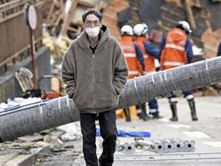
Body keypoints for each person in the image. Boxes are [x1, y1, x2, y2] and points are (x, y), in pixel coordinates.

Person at [62, 9, 128, 166]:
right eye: (89, 23)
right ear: (84, 25)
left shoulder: (112, 46)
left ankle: (105, 162)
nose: (92, 25)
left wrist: (114, 90)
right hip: (84, 102)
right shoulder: (75, 48)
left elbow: (122, 72)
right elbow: (67, 73)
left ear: (100, 24)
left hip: (107, 100)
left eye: (95, 22)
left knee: (111, 135)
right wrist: (74, 93)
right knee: (88, 140)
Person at [160, 21, 198, 121]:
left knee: (171, 91)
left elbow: (161, 51)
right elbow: (189, 54)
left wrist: (161, 66)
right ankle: (194, 114)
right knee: (187, 89)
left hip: (168, 68)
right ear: (185, 29)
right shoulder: (185, 38)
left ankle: (174, 116)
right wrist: (189, 64)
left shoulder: (167, 36)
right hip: (181, 69)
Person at [133, 23, 162, 119]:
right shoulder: (146, 44)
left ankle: (140, 113)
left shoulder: (134, 43)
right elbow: (158, 54)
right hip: (148, 71)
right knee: (151, 93)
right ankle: (154, 113)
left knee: (139, 94)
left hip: (138, 72)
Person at [120, 25, 145, 122]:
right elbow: (141, 60)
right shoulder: (135, 45)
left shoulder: (117, 45)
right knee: (138, 95)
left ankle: (128, 116)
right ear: (131, 34)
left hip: (122, 77)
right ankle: (141, 114)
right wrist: (142, 70)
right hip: (134, 76)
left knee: (125, 96)